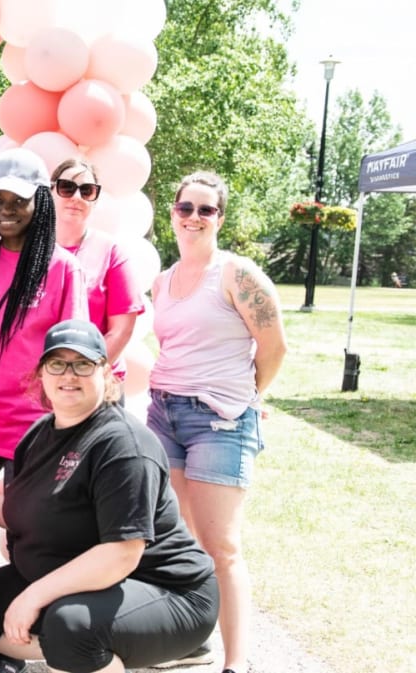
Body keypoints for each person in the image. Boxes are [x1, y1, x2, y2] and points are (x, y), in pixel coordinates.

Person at [0, 319, 219, 673]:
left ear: (105, 373)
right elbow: (19, 511)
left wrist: (33, 597)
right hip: (97, 581)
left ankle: (130, 647)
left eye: (83, 364)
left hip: (168, 591)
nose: (69, 375)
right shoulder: (39, 434)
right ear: (41, 373)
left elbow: (121, 554)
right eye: (57, 364)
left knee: (71, 627)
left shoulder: (123, 445)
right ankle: (91, 653)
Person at [146, 172, 287, 673]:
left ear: (220, 218)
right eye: (185, 207)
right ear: (173, 213)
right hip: (164, 413)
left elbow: (274, 347)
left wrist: (248, 396)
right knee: (179, 537)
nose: (194, 217)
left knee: (221, 545)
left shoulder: (236, 274)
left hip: (219, 422)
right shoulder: (163, 281)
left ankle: (236, 662)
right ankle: (193, 641)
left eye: (206, 209)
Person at [0, 148, 86, 487]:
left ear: (40, 202)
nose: (6, 210)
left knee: (22, 520)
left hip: (35, 427)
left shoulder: (63, 268)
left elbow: (71, 357)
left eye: (19, 200)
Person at [50, 158, 143, 386]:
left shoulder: (111, 252)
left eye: (87, 191)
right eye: (66, 188)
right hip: (43, 382)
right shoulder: (30, 251)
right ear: (51, 192)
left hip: (97, 383)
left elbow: (121, 330)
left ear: (95, 200)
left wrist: (82, 377)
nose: (76, 197)